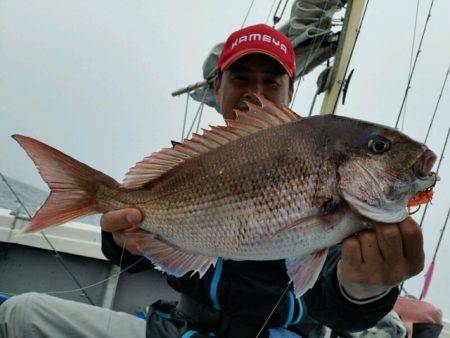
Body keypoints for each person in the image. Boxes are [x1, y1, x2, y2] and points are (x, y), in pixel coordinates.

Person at [0, 24, 424, 338]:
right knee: (22, 313)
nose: (255, 92)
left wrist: (363, 291)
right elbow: (134, 260)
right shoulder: (190, 167)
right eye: (241, 78)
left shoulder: (339, 194)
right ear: (217, 85)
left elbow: (338, 309)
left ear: (290, 91)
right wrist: (120, 239)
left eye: (271, 81)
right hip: (176, 328)